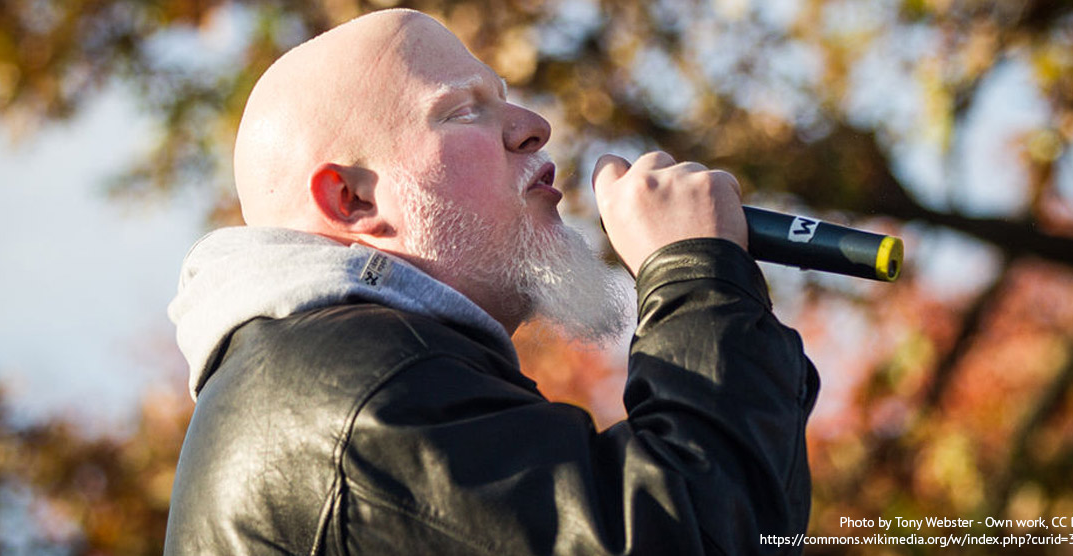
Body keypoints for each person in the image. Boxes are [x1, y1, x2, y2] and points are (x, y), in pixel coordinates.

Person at [164, 8, 819, 555]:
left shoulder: (344, 378)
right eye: (461, 111)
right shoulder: (361, 395)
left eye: (502, 98)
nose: (532, 127)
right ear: (351, 200)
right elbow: (698, 532)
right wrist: (698, 274)